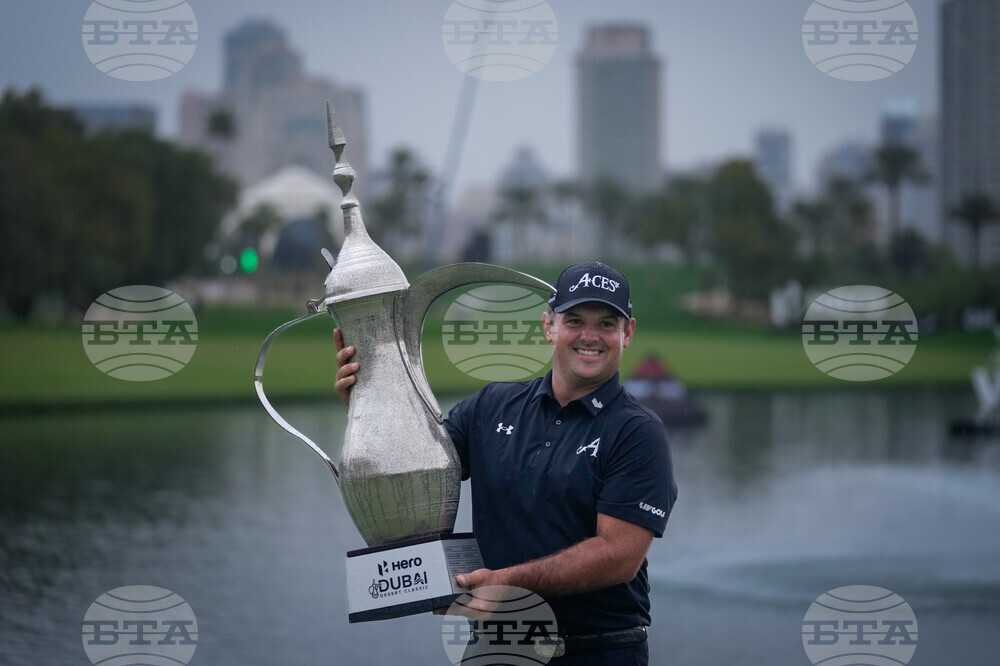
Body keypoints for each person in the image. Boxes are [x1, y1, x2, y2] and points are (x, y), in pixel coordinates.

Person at [335, 262, 677, 665]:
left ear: (628, 333)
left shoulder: (638, 432)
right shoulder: (492, 405)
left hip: (594, 651)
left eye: (606, 323)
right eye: (574, 320)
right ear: (549, 326)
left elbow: (619, 555)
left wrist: (506, 583)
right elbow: (417, 470)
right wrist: (370, 402)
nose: (589, 336)